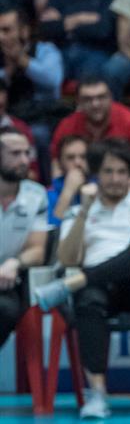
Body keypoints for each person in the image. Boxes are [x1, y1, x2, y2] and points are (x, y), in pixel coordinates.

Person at [32, 138, 130, 419]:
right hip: (101, 291)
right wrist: (84, 210)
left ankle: (74, 283)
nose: (115, 178)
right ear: (96, 175)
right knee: (88, 299)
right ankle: (97, 395)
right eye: (108, 171)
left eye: (121, 172)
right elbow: (67, 258)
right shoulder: (80, 210)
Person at [50, 77, 130, 187]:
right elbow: (57, 172)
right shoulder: (67, 126)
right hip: (79, 190)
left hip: (125, 189)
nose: (95, 104)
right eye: (88, 99)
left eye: (101, 97)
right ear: (78, 101)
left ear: (111, 97)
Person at [0, 129, 50, 350]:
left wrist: (14, 263)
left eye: (26, 153)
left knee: (6, 310)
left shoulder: (36, 195)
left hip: (8, 282)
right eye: (15, 154)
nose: (24, 160)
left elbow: (37, 251)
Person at [0, 4, 64, 156]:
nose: (1, 37)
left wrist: (22, 60)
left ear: (24, 30)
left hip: (41, 116)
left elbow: (53, 80)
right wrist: (8, 70)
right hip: (8, 115)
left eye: (6, 30)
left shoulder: (45, 50)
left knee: (38, 134)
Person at [47, 133, 87, 226]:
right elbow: (51, 229)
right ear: (59, 163)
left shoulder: (100, 188)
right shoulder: (48, 194)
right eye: (70, 158)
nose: (78, 162)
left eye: (83, 157)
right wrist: (68, 192)